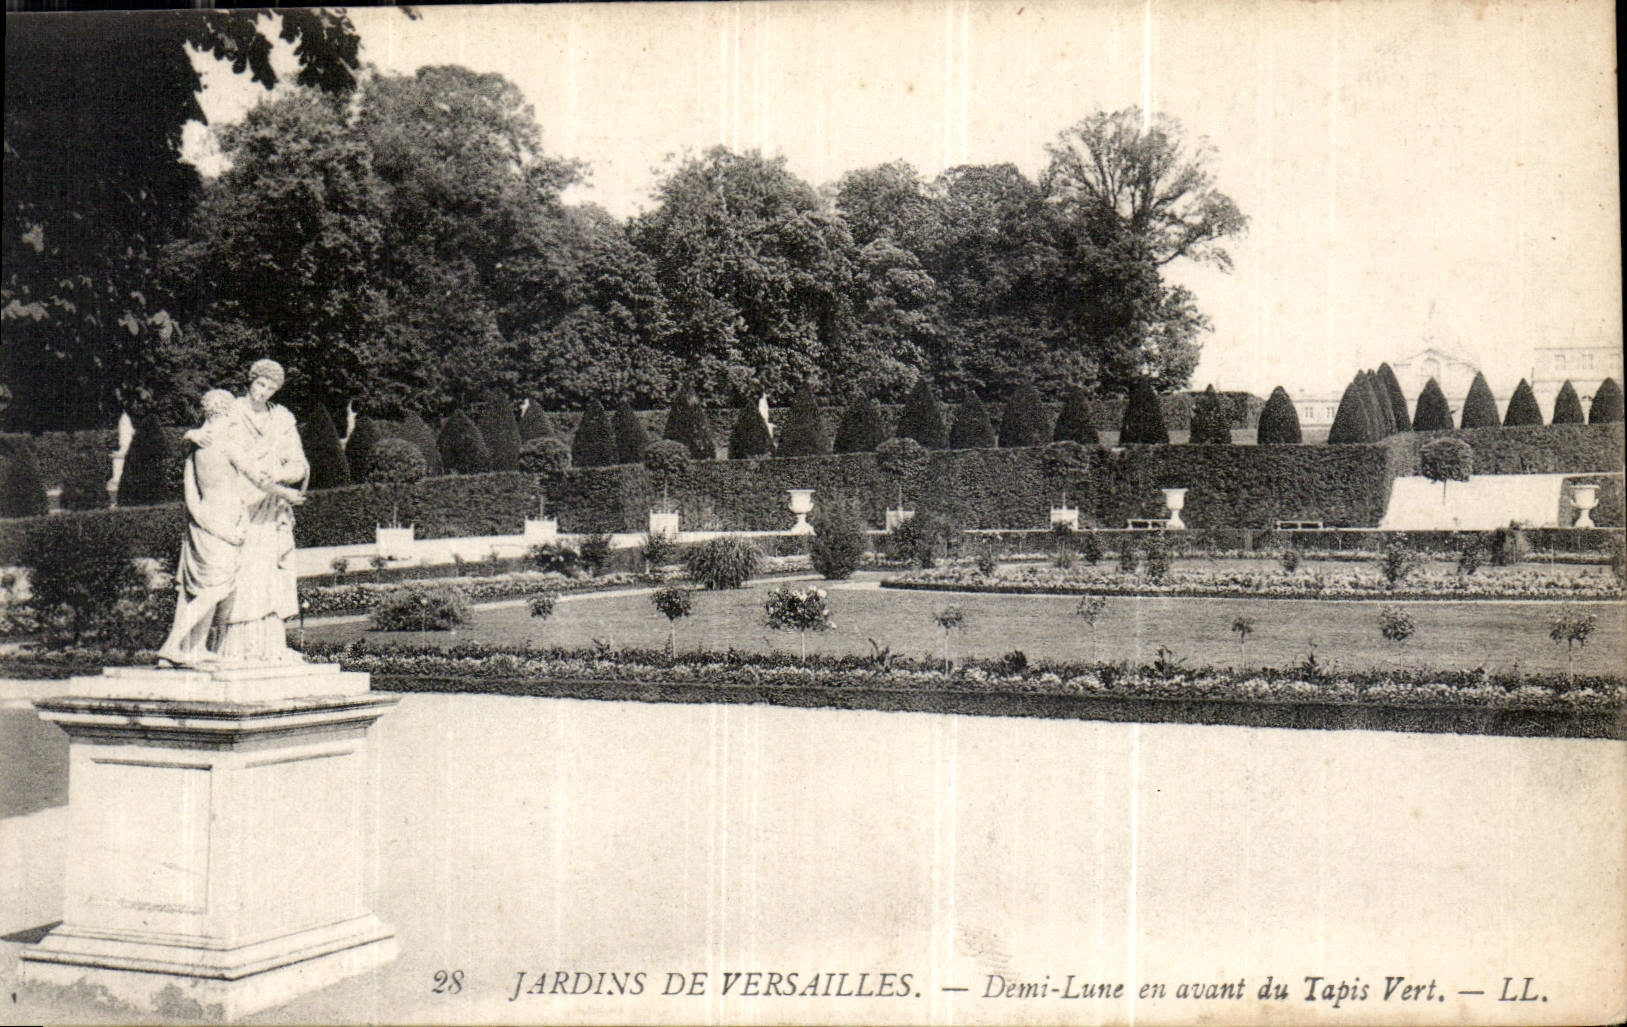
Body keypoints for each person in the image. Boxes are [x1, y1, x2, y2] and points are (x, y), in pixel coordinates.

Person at [155, 390, 304, 667]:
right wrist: (286, 493)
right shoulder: (227, 444)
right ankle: (171, 646)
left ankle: (195, 648)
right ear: (225, 413)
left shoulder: (196, 446)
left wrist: (201, 521)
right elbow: (259, 478)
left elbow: (190, 495)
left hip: (202, 520)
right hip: (225, 519)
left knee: (205, 588)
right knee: (216, 588)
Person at [213, 359, 310, 663]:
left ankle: (268, 646)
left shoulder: (282, 419)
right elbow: (213, 448)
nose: (264, 391)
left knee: (267, 574)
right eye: (260, 384)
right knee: (237, 573)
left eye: (271, 387)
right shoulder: (231, 411)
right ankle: (232, 645)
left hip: (270, 508)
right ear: (251, 381)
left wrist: (278, 476)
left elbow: (299, 465)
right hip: (236, 504)